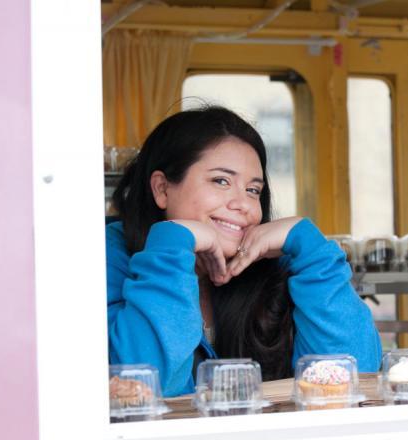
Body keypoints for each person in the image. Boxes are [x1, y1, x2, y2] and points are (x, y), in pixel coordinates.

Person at [106, 106, 381, 397]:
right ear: (162, 189)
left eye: (253, 190)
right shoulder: (103, 260)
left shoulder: (278, 264)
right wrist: (173, 244)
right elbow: (140, 392)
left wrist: (311, 249)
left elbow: (353, 377)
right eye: (221, 181)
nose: (245, 205)